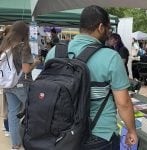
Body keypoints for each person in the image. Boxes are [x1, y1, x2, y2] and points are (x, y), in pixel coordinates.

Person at [45, 5, 137, 149]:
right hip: (99, 135)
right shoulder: (111, 57)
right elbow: (123, 103)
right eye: (108, 29)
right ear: (101, 27)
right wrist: (131, 130)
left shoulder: (54, 52)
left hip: (61, 133)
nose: (108, 32)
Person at [0, 21, 40, 150]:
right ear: (25, 33)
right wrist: (36, 63)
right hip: (22, 85)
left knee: (13, 114)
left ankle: (15, 145)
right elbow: (26, 69)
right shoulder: (24, 47)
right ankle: (35, 141)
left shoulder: (5, 45)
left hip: (7, 85)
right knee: (34, 111)